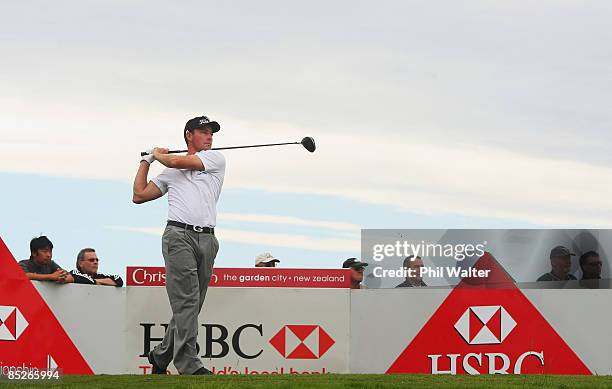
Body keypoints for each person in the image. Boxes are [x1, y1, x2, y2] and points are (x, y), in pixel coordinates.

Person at [132, 115, 225, 375]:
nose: (209, 136)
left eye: (211, 132)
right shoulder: (171, 171)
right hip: (178, 236)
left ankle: (160, 356)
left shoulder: (214, 159)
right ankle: (189, 364)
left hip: (207, 238)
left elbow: (176, 159)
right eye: (203, 131)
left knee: (192, 304)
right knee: (186, 302)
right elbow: (139, 196)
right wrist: (146, 161)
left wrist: (158, 154)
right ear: (188, 135)